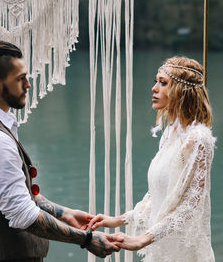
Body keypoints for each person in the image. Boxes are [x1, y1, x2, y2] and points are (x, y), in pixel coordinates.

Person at [0, 40, 122, 262]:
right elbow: (22, 214)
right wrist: (86, 239)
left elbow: (17, 195)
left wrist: (66, 214)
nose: (28, 84)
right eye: (20, 79)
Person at [87, 56, 216, 261]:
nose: (154, 88)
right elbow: (157, 198)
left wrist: (142, 239)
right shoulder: (171, 134)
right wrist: (116, 220)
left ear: (181, 91)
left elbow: (190, 206)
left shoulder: (199, 139)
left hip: (183, 252)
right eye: (156, 81)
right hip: (161, 246)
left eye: (163, 83)